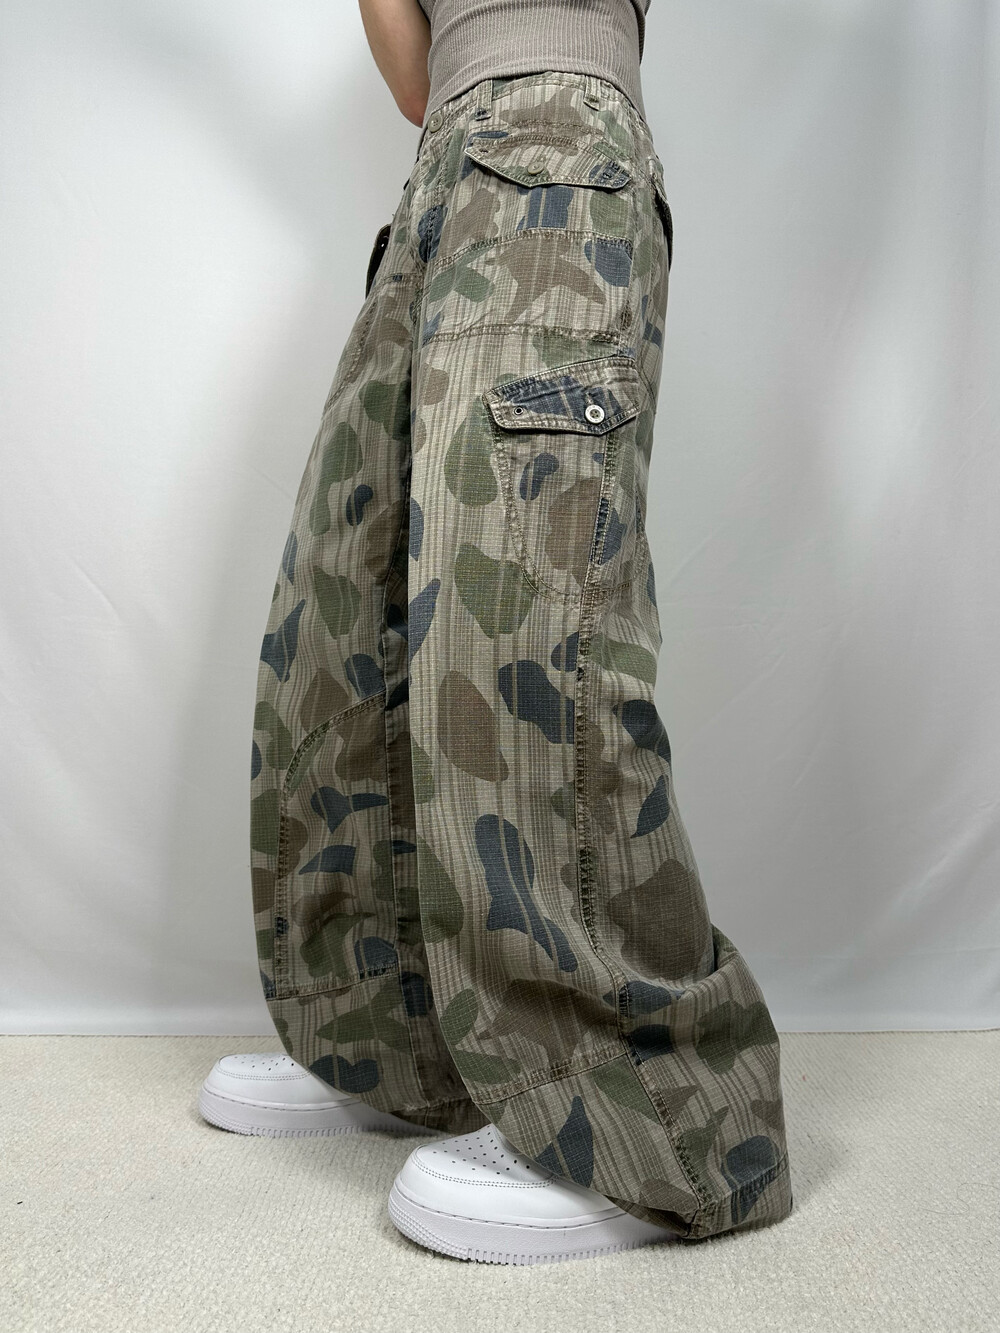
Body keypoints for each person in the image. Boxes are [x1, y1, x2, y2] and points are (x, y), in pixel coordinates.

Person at [198, 0, 794, 1264]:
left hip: (555, 146)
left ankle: (644, 1122)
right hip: (445, 170)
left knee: (522, 620)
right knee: (346, 612)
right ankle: (401, 1044)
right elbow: (415, 83)